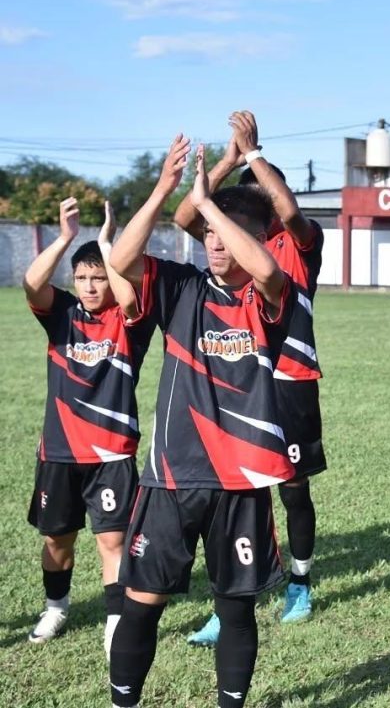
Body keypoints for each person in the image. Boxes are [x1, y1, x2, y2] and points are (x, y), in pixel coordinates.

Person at [107, 138, 296, 708]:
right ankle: (123, 701)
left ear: (254, 237)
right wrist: (166, 190)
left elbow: (264, 268)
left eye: (225, 231)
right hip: (172, 475)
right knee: (142, 598)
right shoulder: (180, 286)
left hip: (241, 481)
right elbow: (119, 261)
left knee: (235, 607)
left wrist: (209, 203)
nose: (213, 240)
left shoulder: (271, 296)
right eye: (208, 232)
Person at [173, 112, 326, 643]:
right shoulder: (222, 246)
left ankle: (299, 583)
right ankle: (231, 599)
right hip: (236, 382)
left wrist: (255, 155)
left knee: (292, 488)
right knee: (236, 491)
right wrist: (228, 161)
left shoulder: (298, 242)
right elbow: (185, 215)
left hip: (290, 381)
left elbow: (288, 207)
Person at [23, 198, 155, 658]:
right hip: (59, 451)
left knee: (112, 540)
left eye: (98, 276)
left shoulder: (129, 321)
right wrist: (63, 239)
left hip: (111, 455)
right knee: (57, 539)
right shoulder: (61, 313)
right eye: (82, 278)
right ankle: (55, 607)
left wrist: (106, 244)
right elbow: (32, 282)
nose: (90, 285)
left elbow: (133, 294)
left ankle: (115, 620)